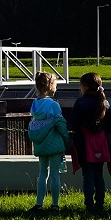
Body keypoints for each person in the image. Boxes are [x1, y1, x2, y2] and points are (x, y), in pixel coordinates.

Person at [70, 72, 111, 213]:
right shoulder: (105, 103)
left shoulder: (80, 102)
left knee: (87, 175)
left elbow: (74, 124)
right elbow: (110, 126)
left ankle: (89, 205)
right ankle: (100, 204)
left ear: (85, 86)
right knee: (99, 174)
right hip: (100, 143)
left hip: (84, 143)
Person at [27, 72, 70, 211]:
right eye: (55, 85)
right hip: (54, 144)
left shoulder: (34, 104)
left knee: (42, 173)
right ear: (50, 86)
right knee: (55, 174)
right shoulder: (53, 105)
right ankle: (55, 204)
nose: (56, 88)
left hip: (40, 145)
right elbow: (61, 124)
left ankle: (39, 203)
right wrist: (66, 139)